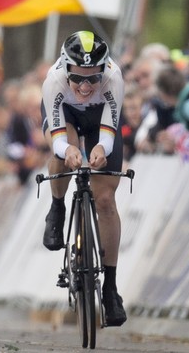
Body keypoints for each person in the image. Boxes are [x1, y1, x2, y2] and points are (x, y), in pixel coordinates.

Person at [40, 30, 127, 327]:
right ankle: (57, 206)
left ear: (104, 69)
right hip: (65, 116)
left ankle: (111, 288)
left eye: (93, 77)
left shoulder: (114, 78)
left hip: (101, 116)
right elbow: (57, 141)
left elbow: (108, 136)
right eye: (78, 78)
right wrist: (70, 150)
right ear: (66, 69)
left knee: (105, 199)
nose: (86, 85)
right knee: (68, 153)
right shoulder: (53, 81)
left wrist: (102, 148)